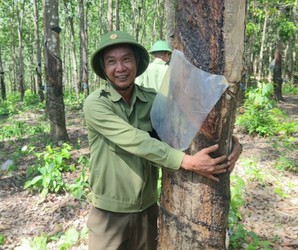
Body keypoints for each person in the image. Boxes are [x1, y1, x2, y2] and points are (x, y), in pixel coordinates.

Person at [83, 30, 242, 250]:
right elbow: (134, 139)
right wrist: (186, 161)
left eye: (126, 59)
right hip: (110, 214)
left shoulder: (151, 99)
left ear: (137, 63)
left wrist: (233, 143)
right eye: (112, 62)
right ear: (104, 68)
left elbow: (192, 121)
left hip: (148, 209)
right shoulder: (96, 104)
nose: (120, 68)